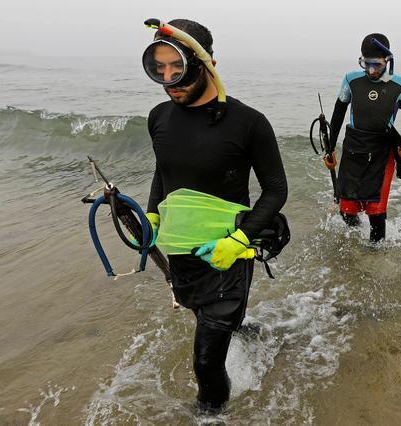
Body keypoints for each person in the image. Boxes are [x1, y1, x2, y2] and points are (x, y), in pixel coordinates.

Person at [140, 19, 287, 412]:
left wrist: (239, 241)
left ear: (206, 64)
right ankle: (243, 329)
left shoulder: (248, 123)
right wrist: (153, 217)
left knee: (205, 362)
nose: (170, 79)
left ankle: (211, 417)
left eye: (179, 67)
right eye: (160, 69)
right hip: (183, 250)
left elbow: (276, 191)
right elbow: (164, 171)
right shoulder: (158, 117)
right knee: (199, 313)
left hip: (229, 256)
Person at [324, 33, 401, 242]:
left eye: (376, 65)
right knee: (346, 211)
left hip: (382, 151)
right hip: (353, 148)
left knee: (376, 212)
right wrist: (330, 148)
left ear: (387, 60)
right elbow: (339, 112)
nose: (371, 70)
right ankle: (356, 237)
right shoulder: (351, 80)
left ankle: (375, 259)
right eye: (365, 64)